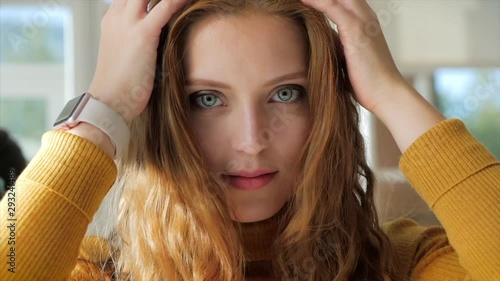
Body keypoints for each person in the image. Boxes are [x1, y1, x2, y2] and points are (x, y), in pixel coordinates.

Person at [0, 0, 498, 280]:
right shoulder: (96, 272)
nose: (252, 141)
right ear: (164, 113)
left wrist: (390, 91)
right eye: (206, 100)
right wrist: (104, 103)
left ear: (324, 103)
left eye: (286, 93)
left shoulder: (408, 266)